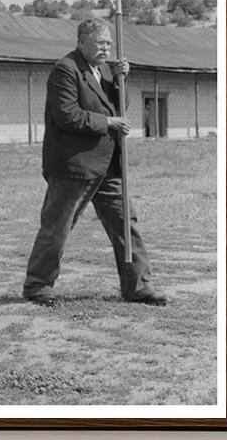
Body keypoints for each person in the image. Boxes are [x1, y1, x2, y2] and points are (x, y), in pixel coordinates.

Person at [22, 17, 166, 308]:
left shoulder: (104, 71)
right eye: (100, 43)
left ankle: (138, 286)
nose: (106, 48)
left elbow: (118, 106)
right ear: (82, 41)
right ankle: (38, 286)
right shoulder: (66, 70)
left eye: (109, 43)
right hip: (74, 166)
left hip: (108, 166)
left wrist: (123, 79)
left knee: (126, 223)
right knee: (58, 227)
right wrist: (108, 122)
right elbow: (67, 115)